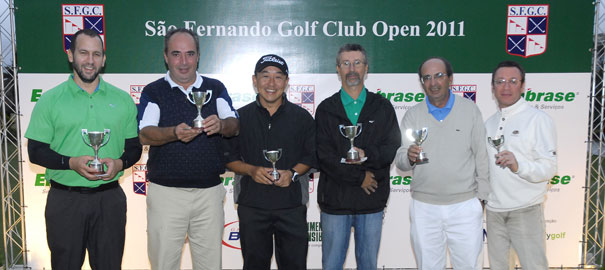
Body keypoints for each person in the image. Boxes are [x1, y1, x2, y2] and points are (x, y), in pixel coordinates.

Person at [25, 28, 142, 269]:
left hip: (109, 200)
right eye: (83, 53)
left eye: (96, 54)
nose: (90, 61)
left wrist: (120, 163)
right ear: (71, 55)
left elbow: (134, 148)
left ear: (104, 59)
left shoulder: (122, 100)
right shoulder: (50, 100)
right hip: (64, 200)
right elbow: (35, 151)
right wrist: (71, 163)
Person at [137, 28, 239, 270]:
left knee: (210, 266)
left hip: (209, 194)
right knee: (164, 265)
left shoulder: (215, 87)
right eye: (176, 54)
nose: (183, 62)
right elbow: (144, 133)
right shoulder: (154, 91)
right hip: (166, 195)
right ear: (166, 56)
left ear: (198, 56)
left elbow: (234, 125)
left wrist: (222, 124)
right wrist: (174, 133)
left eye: (189, 54)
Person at [224, 54, 316, 270]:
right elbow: (228, 159)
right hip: (252, 206)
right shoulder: (239, 117)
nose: (271, 84)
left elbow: (312, 155)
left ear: (286, 81)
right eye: (265, 76)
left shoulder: (302, 117)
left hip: (292, 206)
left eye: (278, 77)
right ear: (254, 80)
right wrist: (251, 170)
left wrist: (292, 173)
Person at [395, 57, 489, 269]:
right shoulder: (413, 115)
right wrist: (408, 156)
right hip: (424, 208)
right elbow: (400, 161)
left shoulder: (470, 110)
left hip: (464, 205)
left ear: (450, 79)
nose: (433, 82)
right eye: (427, 78)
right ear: (422, 83)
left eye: (439, 76)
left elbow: (482, 157)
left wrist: (480, 199)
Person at [315, 43, 401, 270]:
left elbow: (391, 148)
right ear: (338, 69)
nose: (351, 68)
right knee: (331, 265)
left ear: (366, 68)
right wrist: (359, 177)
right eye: (346, 63)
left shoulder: (382, 107)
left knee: (368, 265)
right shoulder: (326, 108)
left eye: (357, 63)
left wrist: (367, 155)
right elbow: (323, 155)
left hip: (371, 201)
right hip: (335, 201)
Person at [485, 61, 557, 269]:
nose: (506, 87)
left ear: (523, 86)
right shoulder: (489, 123)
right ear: (492, 87)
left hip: (525, 210)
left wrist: (519, 166)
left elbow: (550, 168)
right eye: (500, 81)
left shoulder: (538, 119)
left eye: (513, 81)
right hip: (494, 212)